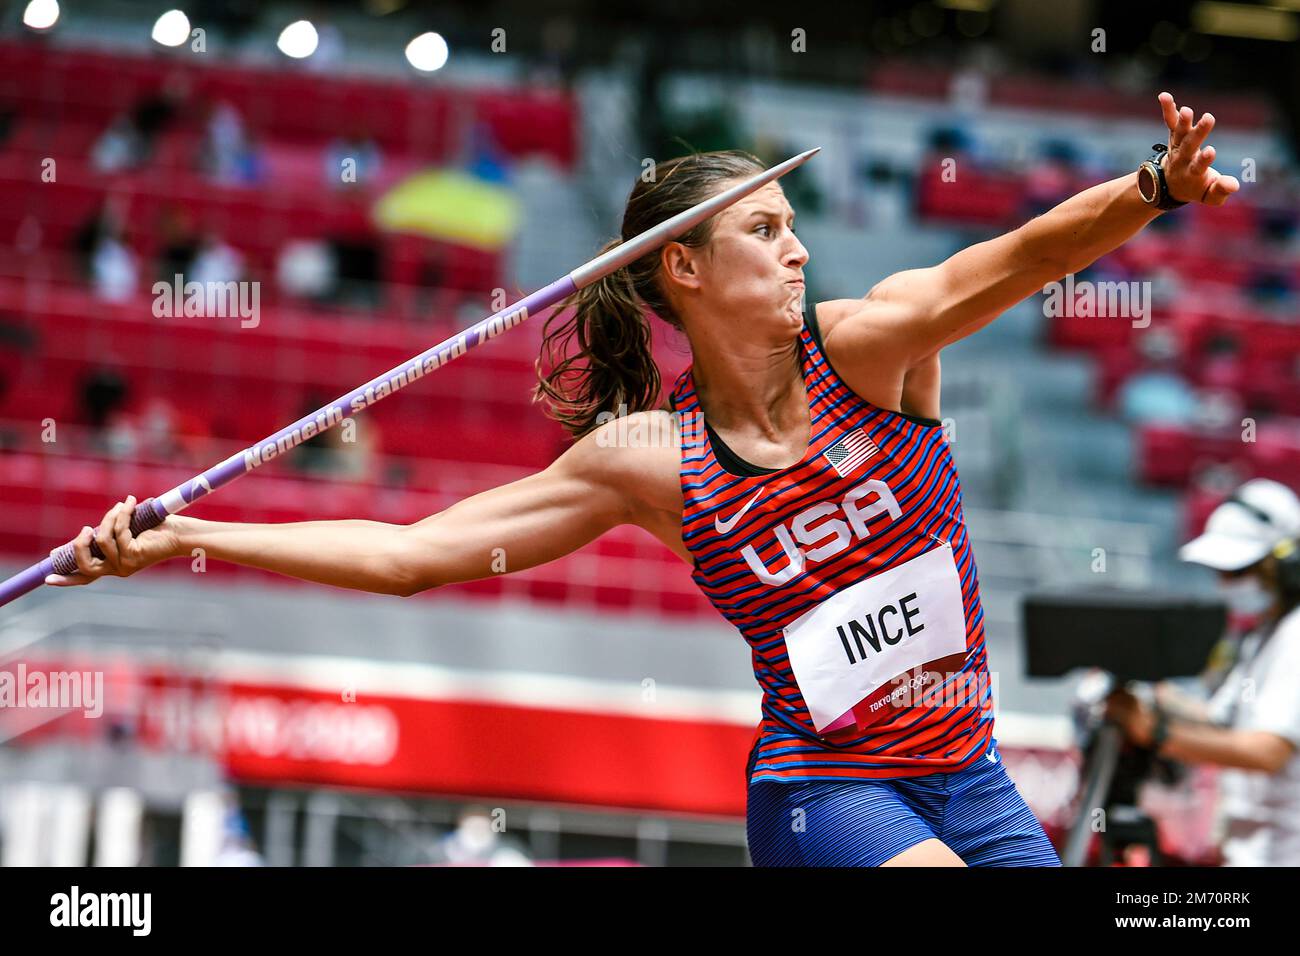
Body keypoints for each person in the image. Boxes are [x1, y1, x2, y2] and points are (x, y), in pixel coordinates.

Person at [48, 92, 1238, 867]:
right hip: (827, 789)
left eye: (792, 225)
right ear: (684, 268)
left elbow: (1025, 254)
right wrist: (184, 534)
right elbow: (411, 557)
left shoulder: (870, 349)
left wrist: (1152, 190)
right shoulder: (645, 461)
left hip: (970, 772)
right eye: (764, 230)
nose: (800, 248)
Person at [1105, 479, 1300, 866]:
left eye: (1240, 570)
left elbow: (1268, 751)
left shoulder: (1295, 636)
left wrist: (1158, 732)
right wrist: (1154, 696)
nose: (1225, 583)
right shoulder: (1262, 635)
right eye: (1222, 572)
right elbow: (1219, 720)